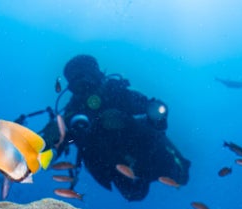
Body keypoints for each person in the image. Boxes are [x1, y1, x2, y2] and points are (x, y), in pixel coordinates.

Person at [40, 55, 190, 201]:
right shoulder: (72, 113)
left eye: (87, 77)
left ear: (98, 75)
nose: (85, 85)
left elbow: (156, 113)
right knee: (134, 194)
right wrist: (48, 141)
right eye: (77, 82)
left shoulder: (117, 93)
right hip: (112, 166)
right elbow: (50, 151)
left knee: (181, 176)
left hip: (145, 150)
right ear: (72, 87)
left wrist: (127, 122)